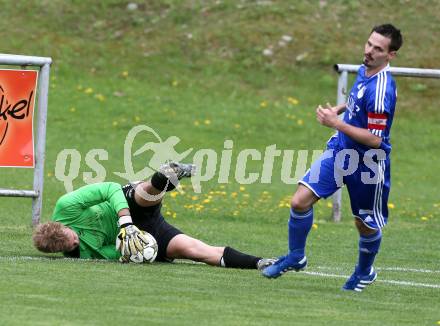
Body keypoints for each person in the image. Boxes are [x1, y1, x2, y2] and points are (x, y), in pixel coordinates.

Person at [262, 24, 403, 291]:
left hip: (368, 164)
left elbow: (376, 139)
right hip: (341, 152)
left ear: (391, 55)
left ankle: (364, 272)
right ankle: (296, 256)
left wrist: (336, 123)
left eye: (378, 49)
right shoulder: (365, 69)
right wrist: (341, 109)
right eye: (369, 44)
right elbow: (357, 100)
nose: (369, 51)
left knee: (365, 224)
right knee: (300, 201)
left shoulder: (382, 90)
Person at [33, 162, 274, 270]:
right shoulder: (79, 255)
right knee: (194, 251)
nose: (76, 242)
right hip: (144, 232)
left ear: (61, 225)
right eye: (70, 246)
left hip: (126, 206)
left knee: (145, 193)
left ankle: (169, 173)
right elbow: (115, 251)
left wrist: (125, 220)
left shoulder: (66, 206)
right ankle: (260, 262)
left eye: (73, 236)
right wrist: (134, 247)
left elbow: (109, 189)